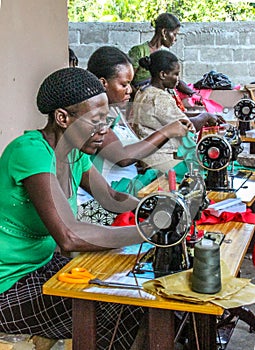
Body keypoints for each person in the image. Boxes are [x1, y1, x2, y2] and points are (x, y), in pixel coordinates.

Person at [0, 67, 148, 350]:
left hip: (41, 267)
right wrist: (147, 231)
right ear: (62, 118)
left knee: (132, 292)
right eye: (96, 120)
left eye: (106, 119)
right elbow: (69, 235)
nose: (104, 129)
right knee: (116, 310)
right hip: (7, 286)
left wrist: (156, 207)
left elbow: (111, 197)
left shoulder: (74, 152)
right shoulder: (29, 152)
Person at [77, 46, 194, 224]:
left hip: (119, 190)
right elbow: (123, 157)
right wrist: (167, 131)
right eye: (124, 84)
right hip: (97, 201)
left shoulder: (113, 113)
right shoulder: (92, 119)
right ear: (103, 83)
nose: (130, 89)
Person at [132, 50, 225, 173]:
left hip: (149, 158)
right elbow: (186, 126)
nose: (178, 79)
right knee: (210, 170)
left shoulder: (143, 91)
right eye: (175, 74)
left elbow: (171, 116)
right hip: (164, 162)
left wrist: (202, 116)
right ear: (163, 74)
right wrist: (205, 116)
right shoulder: (159, 97)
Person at [128, 12, 195, 97]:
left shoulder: (163, 55)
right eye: (174, 34)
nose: (175, 39)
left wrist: (193, 93)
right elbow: (127, 82)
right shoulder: (139, 51)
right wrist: (141, 96)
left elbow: (176, 81)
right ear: (164, 32)